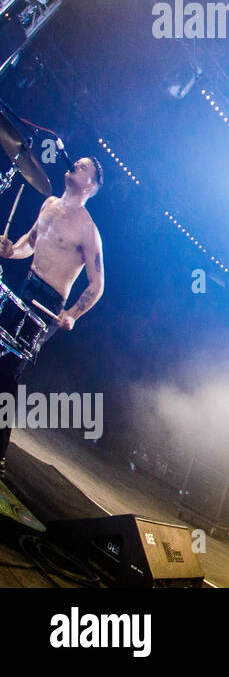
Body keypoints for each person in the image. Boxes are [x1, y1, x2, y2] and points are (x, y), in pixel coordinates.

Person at [0, 156, 105, 478]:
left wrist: (72, 314)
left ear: (90, 185)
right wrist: (9, 251)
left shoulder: (88, 230)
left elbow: (97, 283)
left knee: (8, 372)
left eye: (83, 166)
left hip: (48, 301)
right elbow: (29, 245)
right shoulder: (48, 203)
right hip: (26, 284)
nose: (74, 165)